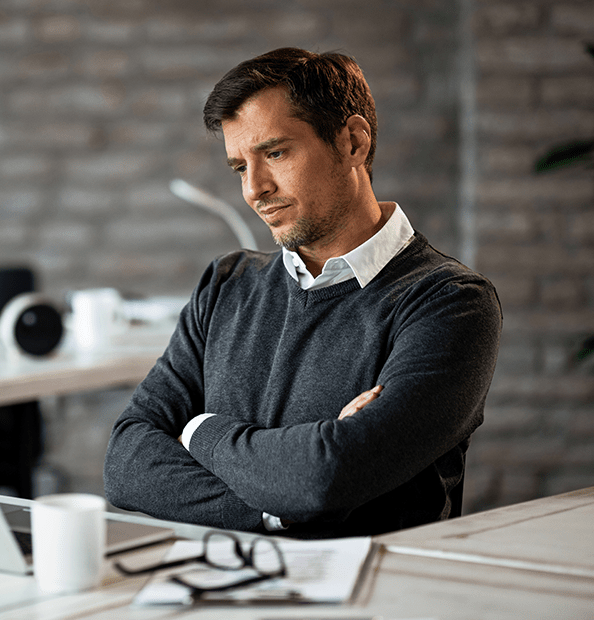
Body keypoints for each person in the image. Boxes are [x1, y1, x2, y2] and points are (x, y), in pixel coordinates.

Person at [103, 47, 502, 538]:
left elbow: (324, 476)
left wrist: (196, 430)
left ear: (353, 142)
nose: (255, 189)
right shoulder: (227, 283)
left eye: (275, 153)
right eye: (239, 168)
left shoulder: (450, 302)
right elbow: (126, 462)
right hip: (224, 589)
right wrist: (277, 504)